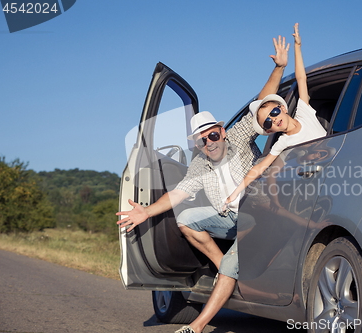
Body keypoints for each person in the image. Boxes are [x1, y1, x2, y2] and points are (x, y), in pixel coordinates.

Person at [116, 35, 290, 333]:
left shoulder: (238, 138)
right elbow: (178, 194)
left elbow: (259, 104)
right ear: (196, 143)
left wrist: (278, 69)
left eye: (212, 134)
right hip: (231, 218)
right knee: (185, 219)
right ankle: (226, 266)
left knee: (227, 268)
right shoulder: (199, 164)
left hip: (258, 217)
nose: (209, 141)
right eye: (201, 139)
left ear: (222, 131)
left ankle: (196, 326)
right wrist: (145, 212)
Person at [223, 23, 327, 210]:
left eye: (274, 112)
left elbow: (301, 78)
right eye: (268, 122)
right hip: (321, 173)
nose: (273, 119)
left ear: (283, 108)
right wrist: (235, 193)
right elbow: (259, 169)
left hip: (334, 158)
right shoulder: (283, 143)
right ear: (269, 130)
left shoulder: (304, 111)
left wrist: (297, 46)